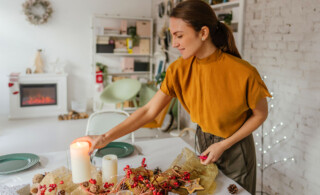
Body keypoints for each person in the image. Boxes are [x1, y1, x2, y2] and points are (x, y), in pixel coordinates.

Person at [73, 0, 271, 194]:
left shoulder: (243, 72)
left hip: (236, 149)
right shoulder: (178, 69)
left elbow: (260, 114)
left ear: (203, 33)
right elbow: (149, 111)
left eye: (179, 36)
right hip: (204, 141)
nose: (174, 43)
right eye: (172, 36)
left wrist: (224, 144)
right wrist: (105, 138)